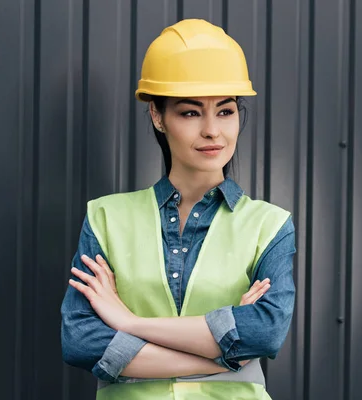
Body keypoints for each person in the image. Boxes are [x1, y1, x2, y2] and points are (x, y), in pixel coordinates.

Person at [60, 19, 296, 400]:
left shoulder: (270, 225)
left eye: (225, 111)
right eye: (190, 113)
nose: (212, 131)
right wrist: (222, 356)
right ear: (157, 115)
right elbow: (82, 340)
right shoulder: (106, 218)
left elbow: (265, 332)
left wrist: (127, 321)